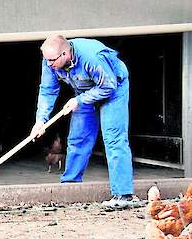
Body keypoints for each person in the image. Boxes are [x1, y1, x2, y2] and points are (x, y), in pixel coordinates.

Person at [31, 35, 137, 210]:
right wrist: (40, 120)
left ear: (65, 53)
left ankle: (123, 194)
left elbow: (107, 86)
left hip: (113, 88)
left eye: (52, 60)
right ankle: (70, 187)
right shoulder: (50, 60)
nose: (49, 64)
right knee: (78, 137)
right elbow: (48, 90)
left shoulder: (92, 57)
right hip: (84, 90)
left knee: (113, 138)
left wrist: (79, 100)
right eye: (46, 60)